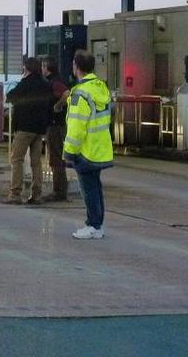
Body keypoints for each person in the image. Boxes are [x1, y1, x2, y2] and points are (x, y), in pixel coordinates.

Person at [64, 50, 113, 240]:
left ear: (76, 67)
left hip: (85, 150)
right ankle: (97, 224)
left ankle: (93, 225)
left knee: (88, 189)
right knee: (95, 187)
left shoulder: (80, 93)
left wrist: (70, 152)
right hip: (100, 147)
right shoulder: (100, 87)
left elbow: (76, 126)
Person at [3, 57, 52, 205]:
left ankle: (15, 194)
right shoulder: (45, 84)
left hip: (24, 127)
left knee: (17, 159)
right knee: (36, 162)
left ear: (27, 68)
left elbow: (10, 97)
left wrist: (23, 79)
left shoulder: (25, 83)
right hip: (39, 129)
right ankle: (36, 194)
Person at [42, 56, 71, 202]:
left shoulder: (55, 82)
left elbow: (66, 94)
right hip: (55, 124)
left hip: (55, 125)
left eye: (43, 66)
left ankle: (59, 191)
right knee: (56, 157)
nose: (42, 69)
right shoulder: (54, 81)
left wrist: (58, 105)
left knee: (56, 158)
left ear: (47, 68)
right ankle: (59, 190)